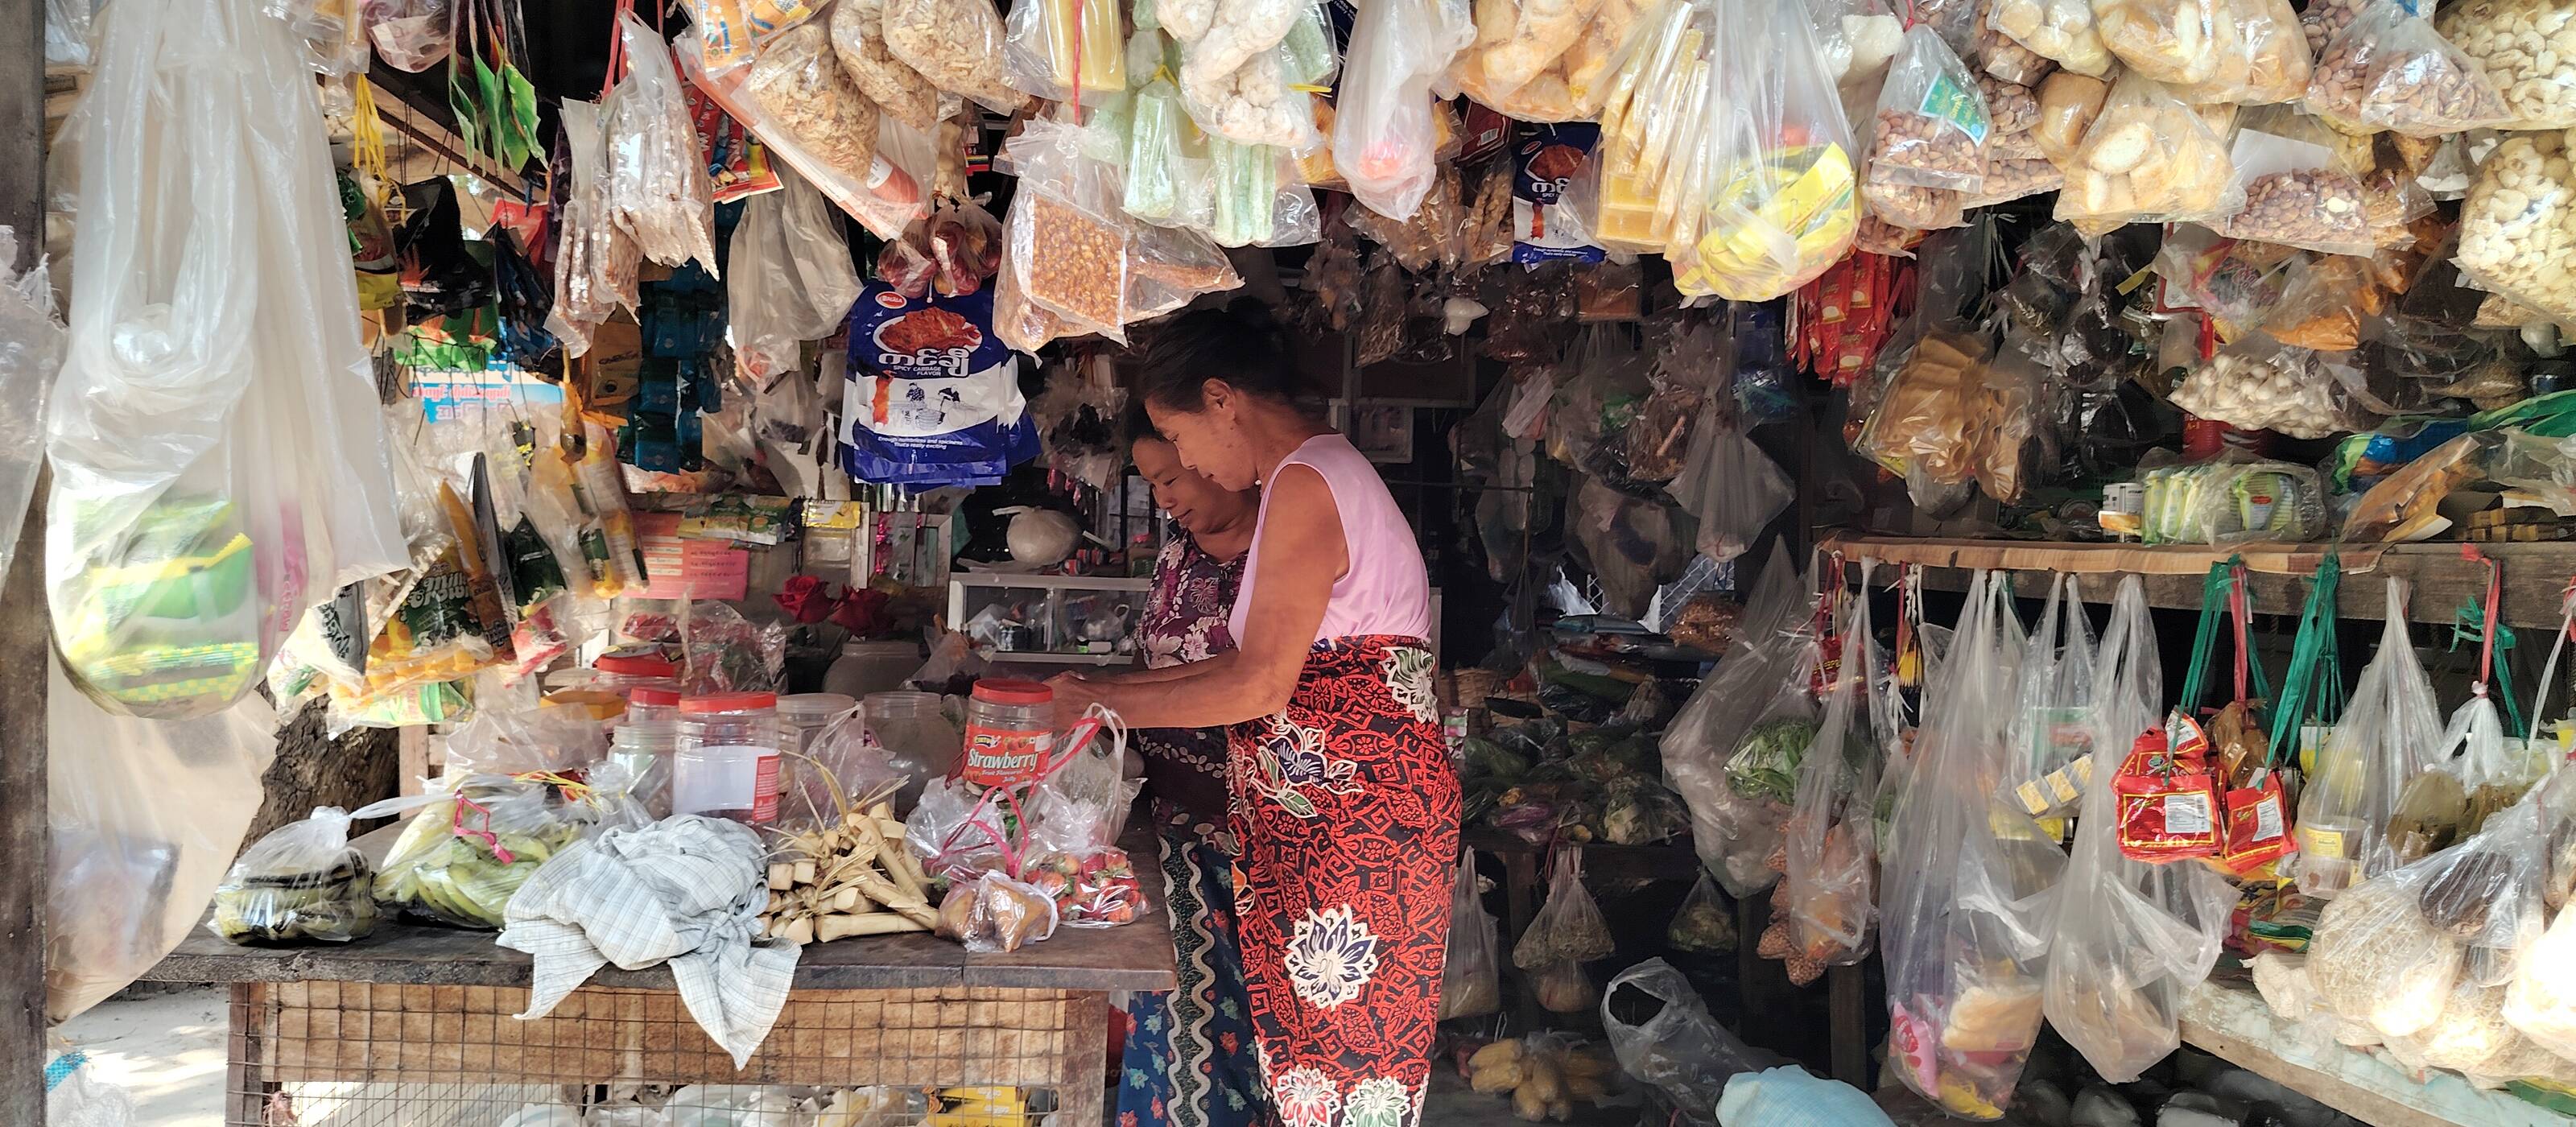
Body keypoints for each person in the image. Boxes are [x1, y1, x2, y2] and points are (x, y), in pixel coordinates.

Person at [1052, 307, 1458, 1127]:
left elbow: (1261, 684)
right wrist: (1100, 691)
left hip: (1355, 831)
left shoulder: (1308, 481)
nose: (1189, 463)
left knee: (1341, 1076)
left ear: (1220, 399)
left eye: (1181, 436)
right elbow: (1255, 665)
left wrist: (1104, 700)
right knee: (1313, 1072)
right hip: (1337, 823)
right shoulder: (1304, 476)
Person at [1114, 411, 1268, 1127]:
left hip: (1260, 834)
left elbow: (1258, 680)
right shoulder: (1178, 549)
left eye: (1172, 477)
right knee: (1177, 1011)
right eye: (1152, 483)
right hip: (1172, 825)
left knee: (1259, 1024)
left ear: (1220, 456)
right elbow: (1153, 661)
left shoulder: (1280, 552)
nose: (1165, 497)